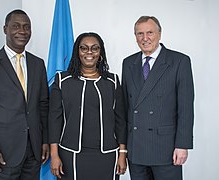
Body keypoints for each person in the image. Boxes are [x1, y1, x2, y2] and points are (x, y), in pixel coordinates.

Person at [0, 9, 49, 180]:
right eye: (16, 26)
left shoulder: (38, 64)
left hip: (34, 151)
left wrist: (45, 140)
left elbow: (43, 105)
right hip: (2, 153)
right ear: (5, 29)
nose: (22, 31)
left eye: (26, 27)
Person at [122, 16, 194, 180]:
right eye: (140, 34)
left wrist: (182, 145)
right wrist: (124, 148)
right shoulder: (128, 63)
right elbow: (125, 106)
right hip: (136, 148)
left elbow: (186, 108)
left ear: (160, 34)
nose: (145, 38)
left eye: (150, 33)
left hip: (166, 148)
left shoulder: (179, 61)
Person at [48, 32, 127, 180]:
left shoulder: (112, 81)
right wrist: (54, 155)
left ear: (100, 52)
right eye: (84, 48)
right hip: (70, 154)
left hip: (108, 154)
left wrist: (122, 153)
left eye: (95, 48)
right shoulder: (63, 80)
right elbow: (54, 120)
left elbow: (120, 121)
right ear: (77, 52)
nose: (89, 52)